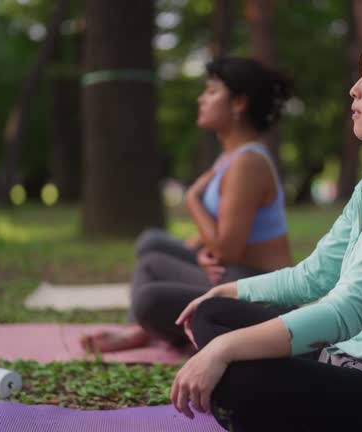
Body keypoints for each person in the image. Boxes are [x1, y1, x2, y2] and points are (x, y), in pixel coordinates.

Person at [171, 21, 362, 431]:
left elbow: (349, 310)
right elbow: (316, 275)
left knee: (236, 372)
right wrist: (232, 289)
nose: (354, 89)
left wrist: (226, 350)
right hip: (351, 360)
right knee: (212, 313)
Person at [81, 57, 294, 353]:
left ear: (238, 103)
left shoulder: (249, 163)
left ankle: (150, 327)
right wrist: (199, 253)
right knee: (151, 244)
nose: (201, 98)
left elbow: (226, 251)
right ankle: (146, 329)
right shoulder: (229, 159)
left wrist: (192, 199)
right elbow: (218, 240)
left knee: (150, 299)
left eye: (210, 91)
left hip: (262, 292)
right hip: (232, 275)